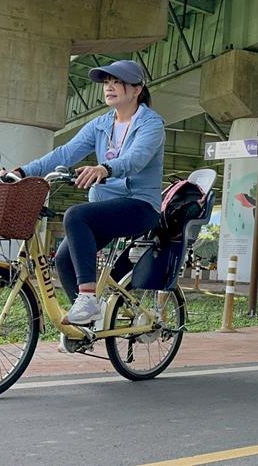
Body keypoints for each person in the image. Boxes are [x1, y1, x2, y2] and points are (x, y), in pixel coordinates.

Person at [9, 60, 164, 325]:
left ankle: (88, 298)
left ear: (137, 89)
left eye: (117, 82)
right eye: (107, 82)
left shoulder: (151, 123)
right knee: (64, 259)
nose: (109, 87)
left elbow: (137, 158)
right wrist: (22, 172)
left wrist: (105, 168)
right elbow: (64, 153)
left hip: (139, 206)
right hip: (105, 207)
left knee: (76, 215)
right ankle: (87, 325)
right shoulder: (100, 124)